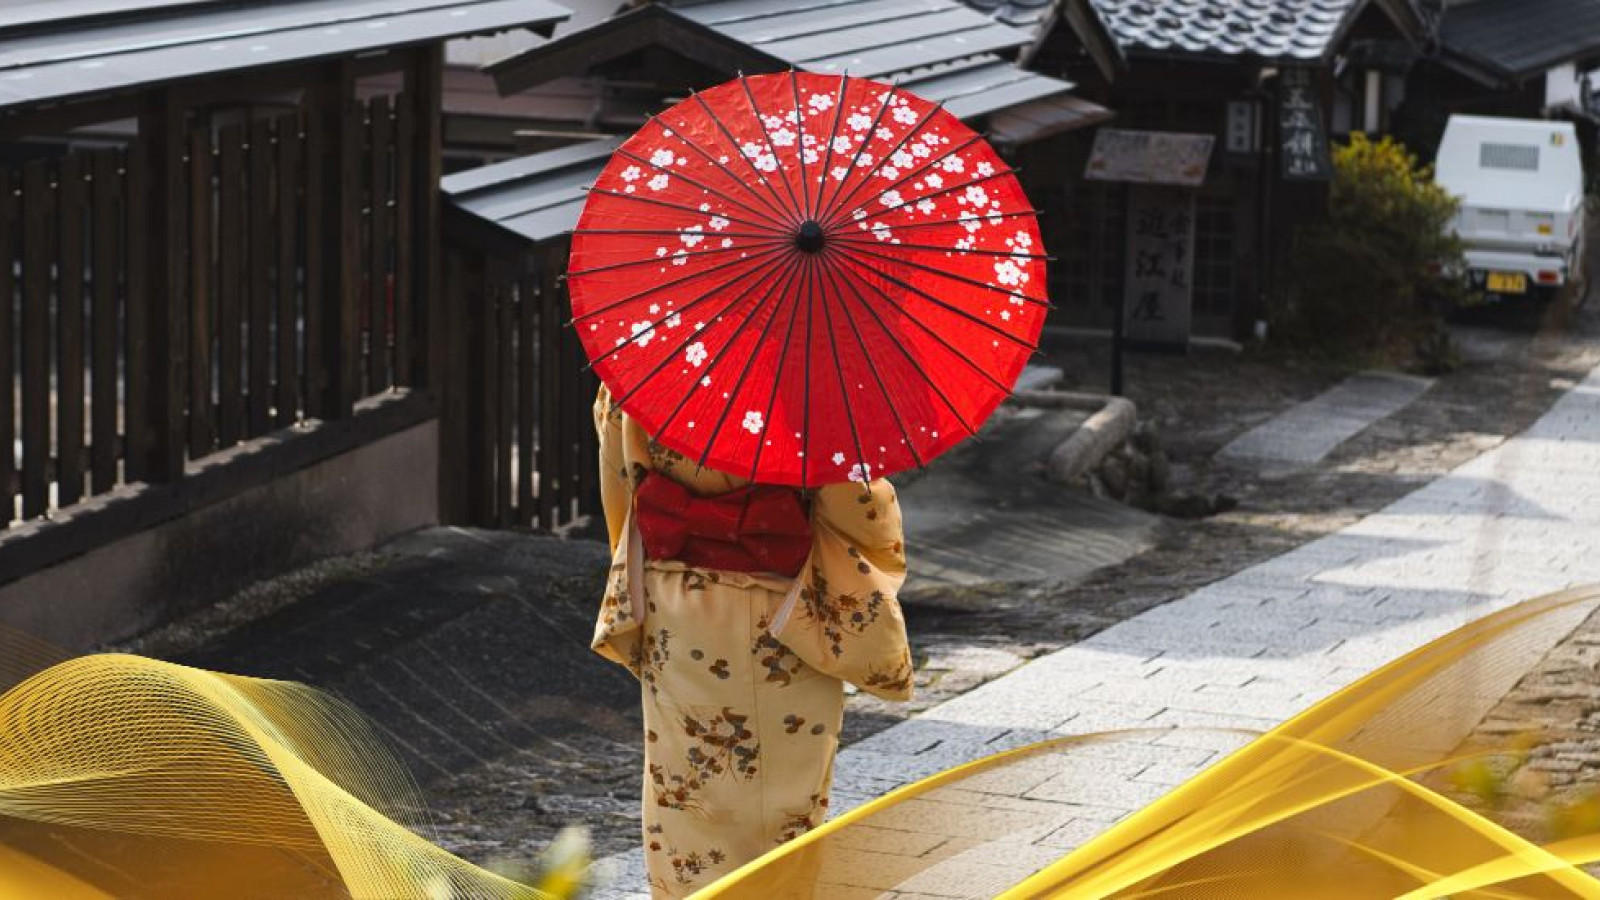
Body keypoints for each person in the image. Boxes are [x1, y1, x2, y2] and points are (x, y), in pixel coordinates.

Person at [591, 385, 914, 898]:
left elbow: (620, 478)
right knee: (783, 802)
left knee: (684, 789)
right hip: (782, 615)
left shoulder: (639, 370)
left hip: (676, 608)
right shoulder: (805, 383)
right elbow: (858, 504)